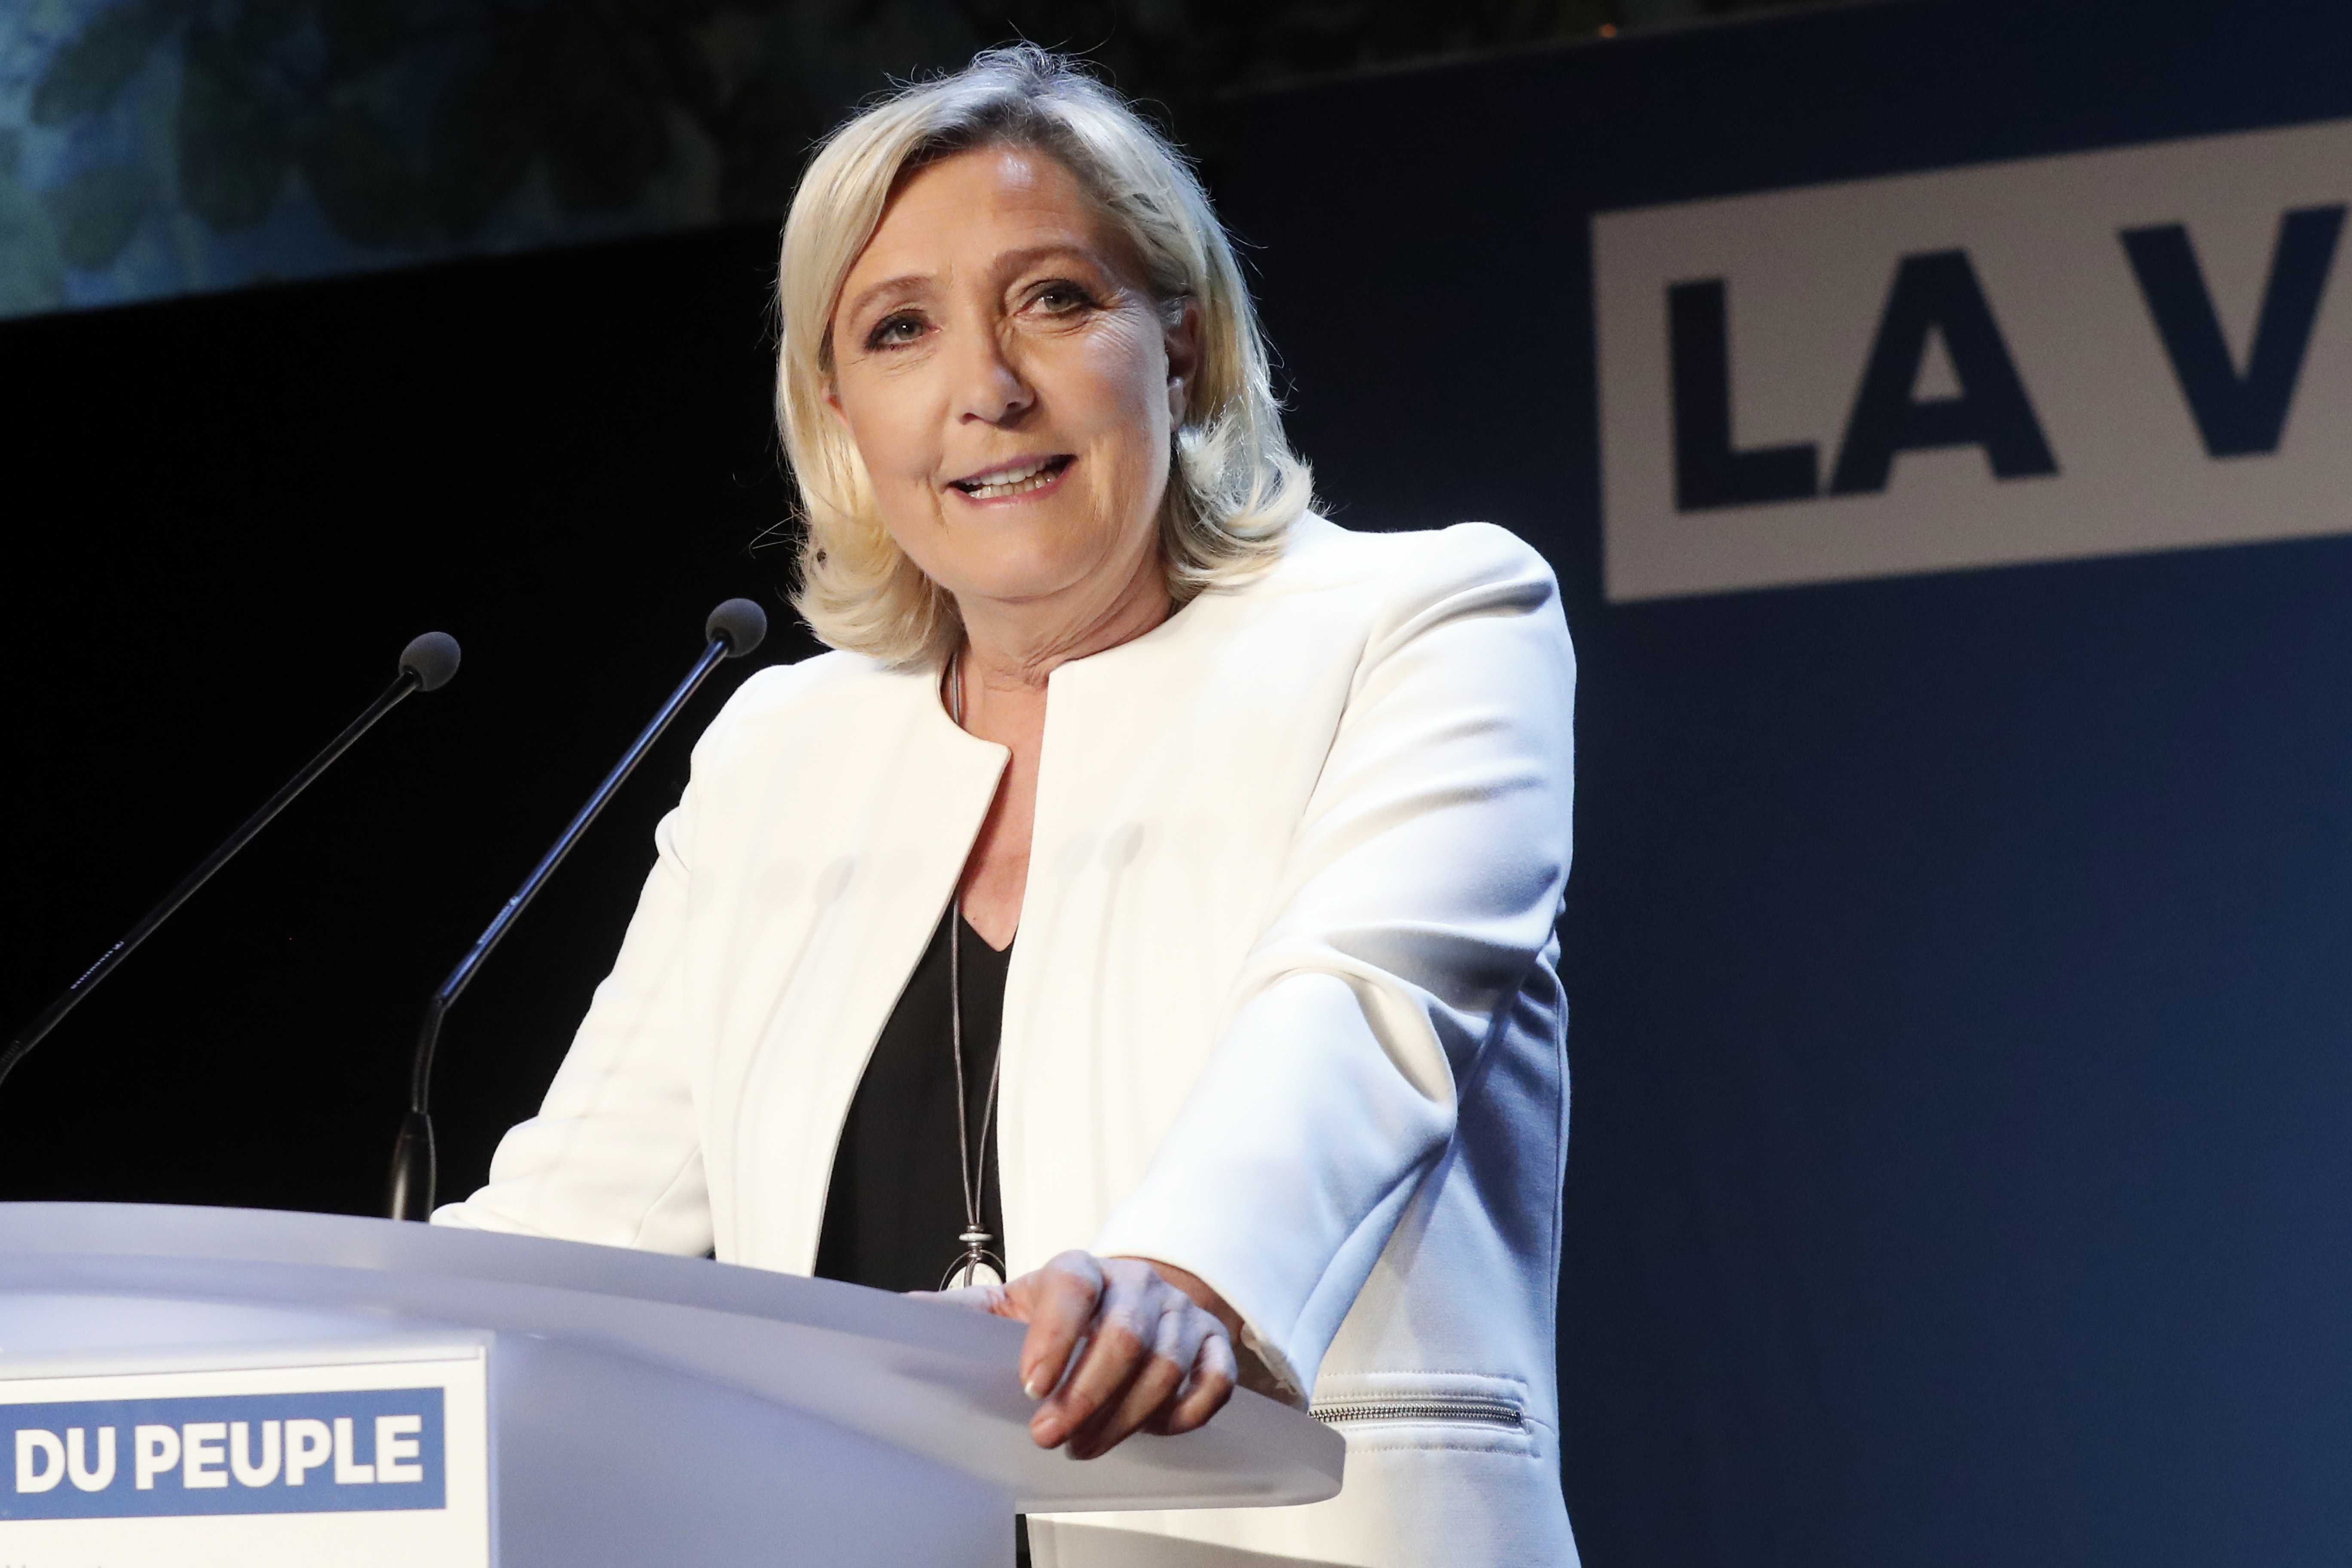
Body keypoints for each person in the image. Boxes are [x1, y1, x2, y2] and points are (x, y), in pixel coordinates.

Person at [432, 45, 1578, 1568]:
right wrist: (258, 1376)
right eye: (903, 332)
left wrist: (1188, 1275)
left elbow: (1363, 1013)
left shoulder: (1425, 619)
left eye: (1055, 300)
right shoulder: (782, 746)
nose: (985, 391)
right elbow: (578, 1226)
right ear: (842, 409)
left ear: (1179, 341)